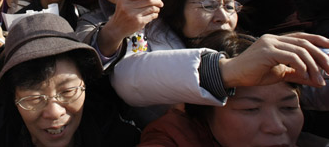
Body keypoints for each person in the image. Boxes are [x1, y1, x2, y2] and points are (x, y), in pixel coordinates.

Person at [108, 0, 329, 124]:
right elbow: (129, 79)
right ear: (175, 12)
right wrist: (227, 71)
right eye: (208, 5)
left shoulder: (253, 49)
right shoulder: (147, 46)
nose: (223, 16)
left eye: (230, 6)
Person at [0, 13, 140, 146]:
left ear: (84, 83)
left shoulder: (120, 137)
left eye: (67, 92)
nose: (54, 113)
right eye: (34, 98)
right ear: (14, 97)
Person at [139, 30, 329, 147]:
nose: (277, 127)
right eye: (251, 109)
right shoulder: (174, 137)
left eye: (288, 108)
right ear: (203, 112)